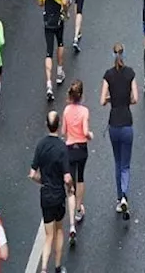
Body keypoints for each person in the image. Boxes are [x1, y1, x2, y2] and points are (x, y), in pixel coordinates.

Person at [30, 111, 74, 273]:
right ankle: (57, 266)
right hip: (58, 195)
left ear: (46, 125)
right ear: (59, 124)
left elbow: (32, 174)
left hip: (45, 195)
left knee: (48, 235)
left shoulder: (41, 145)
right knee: (59, 230)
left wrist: (43, 181)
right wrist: (70, 188)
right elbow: (68, 177)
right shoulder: (62, 147)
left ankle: (42, 268)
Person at [102, 43, 140, 219]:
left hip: (113, 124)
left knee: (117, 162)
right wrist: (125, 99)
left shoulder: (108, 75)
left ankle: (119, 199)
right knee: (126, 164)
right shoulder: (130, 73)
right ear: (123, 54)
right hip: (127, 123)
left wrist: (113, 98)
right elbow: (135, 99)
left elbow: (102, 100)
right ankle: (124, 195)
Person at [61, 81, 92, 246]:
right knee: (81, 178)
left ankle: (71, 223)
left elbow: (63, 131)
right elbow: (86, 131)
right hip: (82, 148)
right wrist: (90, 135)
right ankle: (80, 209)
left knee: (70, 188)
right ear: (81, 95)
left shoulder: (66, 110)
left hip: (70, 149)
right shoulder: (84, 111)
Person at [38, 0, 71, 100]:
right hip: (58, 18)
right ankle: (59, 72)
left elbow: (40, 2)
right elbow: (64, 1)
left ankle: (48, 84)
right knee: (61, 43)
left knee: (48, 51)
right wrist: (66, 8)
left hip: (47, 20)